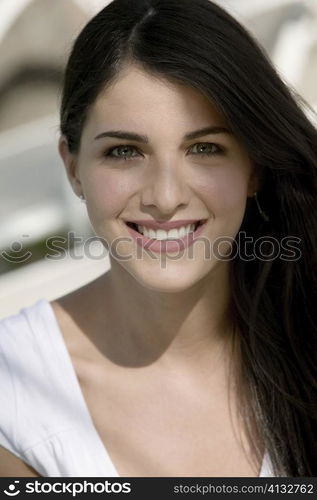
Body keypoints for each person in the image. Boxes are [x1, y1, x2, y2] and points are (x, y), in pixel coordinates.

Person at [0, 0, 316, 478]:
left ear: (255, 167)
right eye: (125, 151)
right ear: (73, 168)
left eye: (206, 148)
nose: (165, 198)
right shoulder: (14, 392)